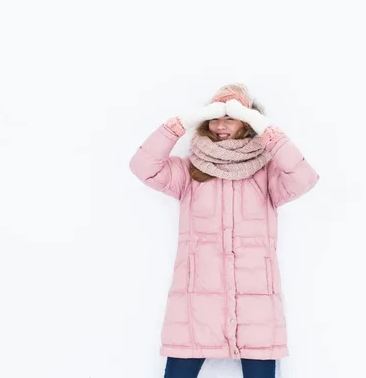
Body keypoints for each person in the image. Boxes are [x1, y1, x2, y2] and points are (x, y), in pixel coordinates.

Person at [129, 83, 319, 378]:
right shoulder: (189, 171)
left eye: (230, 117)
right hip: (195, 306)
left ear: (247, 122)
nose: (219, 125)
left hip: (256, 307)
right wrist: (183, 122)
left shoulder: (266, 173)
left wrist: (265, 128)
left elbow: (304, 178)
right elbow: (143, 165)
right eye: (214, 118)